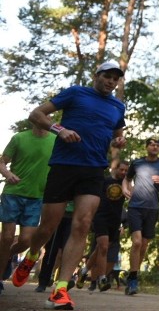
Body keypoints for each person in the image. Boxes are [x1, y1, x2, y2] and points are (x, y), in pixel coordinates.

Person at [12, 59, 127, 311]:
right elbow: (36, 113)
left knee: (83, 224)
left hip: (94, 169)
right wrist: (59, 129)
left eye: (115, 78)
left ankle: (60, 289)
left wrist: (119, 140)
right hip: (64, 165)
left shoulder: (118, 106)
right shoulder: (76, 93)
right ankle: (32, 255)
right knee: (48, 228)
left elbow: (118, 133)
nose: (111, 82)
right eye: (107, 76)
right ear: (96, 75)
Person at [0, 124, 56, 295]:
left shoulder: (55, 140)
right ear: (33, 120)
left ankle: (5, 256)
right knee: (7, 237)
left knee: (25, 241)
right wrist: (8, 174)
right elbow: (2, 162)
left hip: (36, 196)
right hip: (13, 193)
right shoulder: (19, 138)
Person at [123, 136, 159, 295]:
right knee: (136, 242)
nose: (154, 146)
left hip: (152, 208)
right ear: (147, 147)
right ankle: (132, 278)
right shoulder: (137, 163)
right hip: (135, 207)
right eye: (151, 144)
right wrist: (126, 188)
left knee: (144, 246)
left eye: (157, 145)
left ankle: (134, 273)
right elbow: (127, 178)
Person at [88, 160, 129, 292]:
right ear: (116, 169)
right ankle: (102, 278)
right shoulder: (105, 182)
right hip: (101, 217)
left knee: (100, 250)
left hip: (115, 221)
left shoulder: (125, 185)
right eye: (121, 170)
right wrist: (90, 218)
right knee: (104, 248)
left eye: (126, 171)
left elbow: (131, 194)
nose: (123, 172)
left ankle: (84, 272)